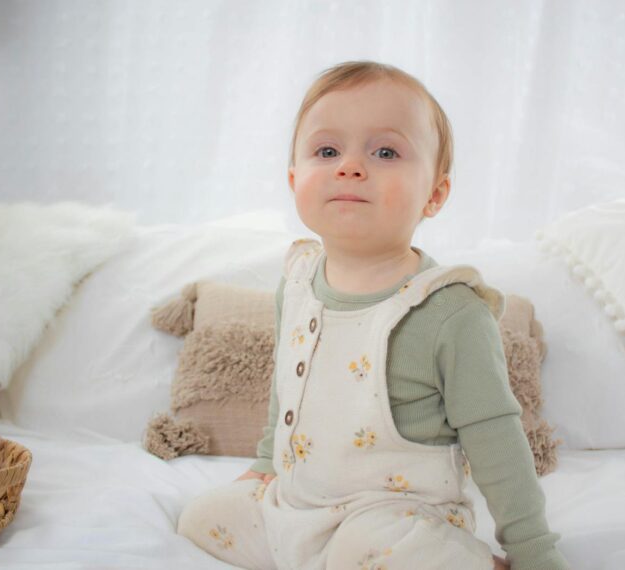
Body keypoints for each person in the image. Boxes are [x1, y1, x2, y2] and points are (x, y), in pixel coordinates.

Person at [178, 60, 569, 570]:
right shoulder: (297, 282)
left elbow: (497, 440)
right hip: (296, 507)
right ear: (295, 178)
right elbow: (288, 387)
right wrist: (264, 466)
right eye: (327, 150)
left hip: (398, 518)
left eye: (385, 151)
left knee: (371, 551)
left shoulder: (449, 309)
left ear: (435, 194)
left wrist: (534, 550)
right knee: (203, 518)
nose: (350, 166)